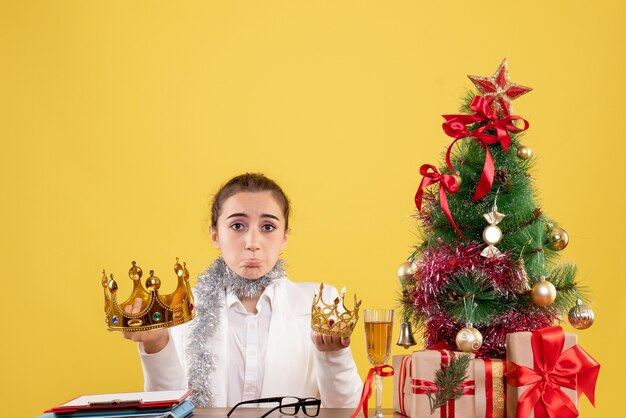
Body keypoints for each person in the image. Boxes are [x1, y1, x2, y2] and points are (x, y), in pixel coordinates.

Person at [122, 173, 362, 408]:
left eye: (268, 227)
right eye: (237, 225)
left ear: (285, 238)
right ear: (215, 235)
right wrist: (157, 345)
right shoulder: (184, 308)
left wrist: (334, 356)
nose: (252, 242)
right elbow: (169, 409)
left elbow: (349, 410)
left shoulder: (320, 303)